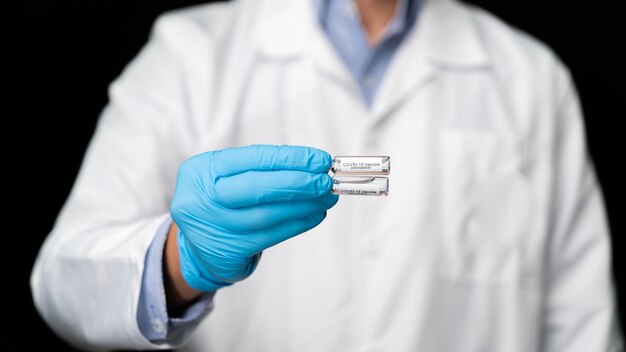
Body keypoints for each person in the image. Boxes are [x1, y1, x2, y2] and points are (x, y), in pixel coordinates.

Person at [31, 0, 623, 350]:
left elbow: (583, 328)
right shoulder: (190, 54)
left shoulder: (530, 78)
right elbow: (61, 279)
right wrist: (178, 262)